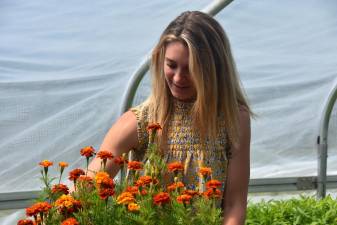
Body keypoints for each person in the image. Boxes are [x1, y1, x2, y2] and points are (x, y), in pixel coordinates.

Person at [87, 11, 252, 225]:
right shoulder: (141, 120)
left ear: (214, 69)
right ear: (160, 60)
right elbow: (88, 186)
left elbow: (235, 205)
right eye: (171, 65)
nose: (178, 77)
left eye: (191, 69)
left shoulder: (234, 118)